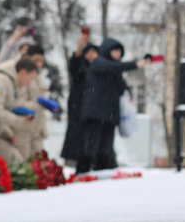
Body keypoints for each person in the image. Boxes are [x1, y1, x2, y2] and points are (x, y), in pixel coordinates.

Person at [76, 39, 150, 173]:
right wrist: (137, 64)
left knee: (105, 149)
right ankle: (82, 173)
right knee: (91, 148)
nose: (118, 54)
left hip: (109, 115)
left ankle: (102, 174)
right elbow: (114, 67)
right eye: (115, 51)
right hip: (94, 115)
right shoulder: (99, 62)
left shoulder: (115, 71)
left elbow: (121, 86)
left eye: (120, 52)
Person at [61, 36, 100, 165]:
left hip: (95, 114)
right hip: (78, 109)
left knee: (93, 141)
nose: (90, 56)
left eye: (93, 52)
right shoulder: (80, 69)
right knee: (76, 139)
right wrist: (78, 49)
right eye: (87, 53)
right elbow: (74, 67)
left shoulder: (102, 69)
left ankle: (93, 162)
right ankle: (74, 163)